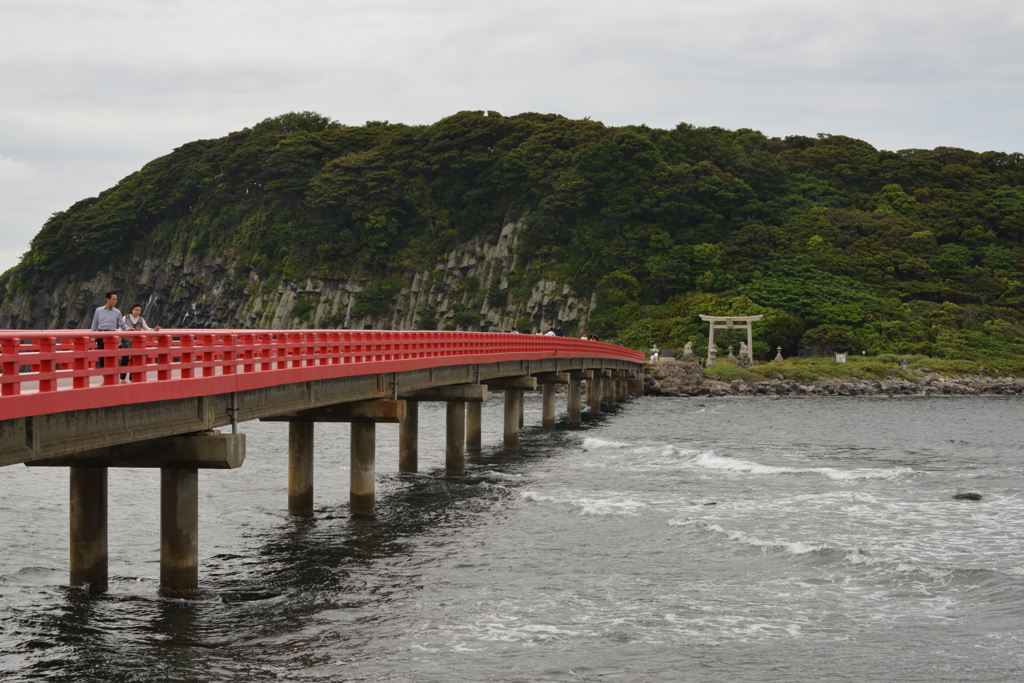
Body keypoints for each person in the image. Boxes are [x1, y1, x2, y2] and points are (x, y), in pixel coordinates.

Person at [120, 303, 161, 380]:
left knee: (134, 360)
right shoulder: (125, 318)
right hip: (126, 342)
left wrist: (154, 329)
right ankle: (122, 377)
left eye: (139, 311)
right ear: (132, 310)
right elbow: (121, 329)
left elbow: (147, 329)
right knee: (124, 359)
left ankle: (132, 377)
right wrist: (119, 339)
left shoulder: (141, 319)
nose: (137, 312)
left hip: (136, 343)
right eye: (136, 310)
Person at [90, 292, 128, 368]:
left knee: (111, 355)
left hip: (111, 336)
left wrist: (129, 330)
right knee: (101, 356)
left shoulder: (117, 312)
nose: (115, 301)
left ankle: (111, 374)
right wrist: (93, 336)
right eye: (113, 299)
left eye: (116, 299)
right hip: (101, 335)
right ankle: (105, 374)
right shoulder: (98, 310)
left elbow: (122, 324)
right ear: (107, 299)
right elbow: (94, 324)